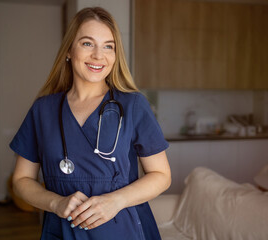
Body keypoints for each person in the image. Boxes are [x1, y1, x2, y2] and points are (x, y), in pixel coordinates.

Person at [10, 7, 171, 240]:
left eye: (108, 46)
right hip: (64, 229)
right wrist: (56, 203)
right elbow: (21, 180)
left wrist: (116, 201)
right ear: (68, 50)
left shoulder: (133, 105)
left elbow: (161, 175)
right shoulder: (43, 110)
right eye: (87, 43)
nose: (98, 55)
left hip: (123, 228)